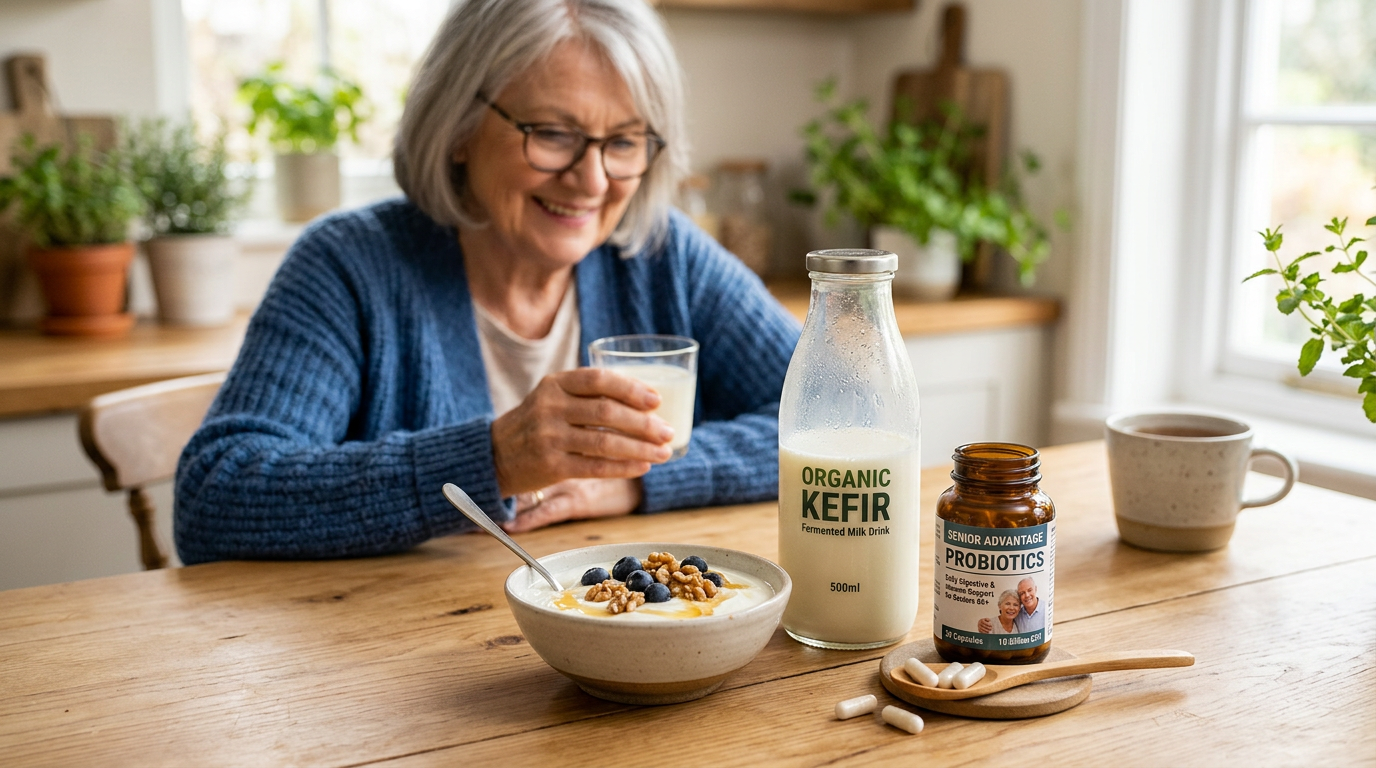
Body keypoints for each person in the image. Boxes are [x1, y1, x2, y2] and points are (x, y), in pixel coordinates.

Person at [173, 0, 800, 565]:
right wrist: (494, 459)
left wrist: (635, 481)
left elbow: (841, 415)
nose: (592, 180)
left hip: (635, 642)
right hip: (387, 663)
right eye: (553, 135)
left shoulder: (662, 254)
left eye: (625, 142)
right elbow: (217, 495)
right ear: (459, 128)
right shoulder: (349, 266)